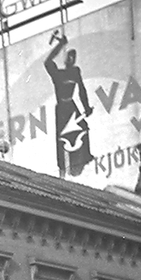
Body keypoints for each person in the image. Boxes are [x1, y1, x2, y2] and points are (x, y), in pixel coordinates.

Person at [44, 29, 93, 177]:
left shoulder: (75, 72)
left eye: (74, 57)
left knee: (83, 127)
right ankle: (62, 166)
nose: (71, 59)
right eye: (69, 57)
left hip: (72, 105)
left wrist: (86, 107)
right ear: (65, 59)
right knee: (62, 135)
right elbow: (47, 62)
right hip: (62, 108)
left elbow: (81, 90)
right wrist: (60, 45)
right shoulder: (58, 74)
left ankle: (85, 156)